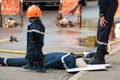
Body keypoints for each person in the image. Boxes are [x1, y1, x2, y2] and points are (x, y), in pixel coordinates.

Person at [69, 0, 118, 64]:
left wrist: (101, 14)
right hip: (107, 3)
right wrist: (75, 7)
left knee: (104, 27)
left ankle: (100, 56)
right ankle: (99, 52)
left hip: (108, 3)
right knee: (101, 26)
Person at [22, 5, 46, 72]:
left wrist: (32, 40)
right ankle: (30, 65)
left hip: (35, 42)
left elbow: (35, 33)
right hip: (35, 42)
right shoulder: (37, 24)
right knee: (31, 54)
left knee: (37, 55)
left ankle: (42, 68)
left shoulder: (36, 25)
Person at [0, 52, 76, 70]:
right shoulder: (71, 58)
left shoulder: (70, 58)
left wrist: (42, 66)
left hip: (46, 58)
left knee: (24, 60)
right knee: (24, 60)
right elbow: (57, 60)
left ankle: (3, 61)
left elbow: (57, 60)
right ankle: (3, 61)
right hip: (47, 57)